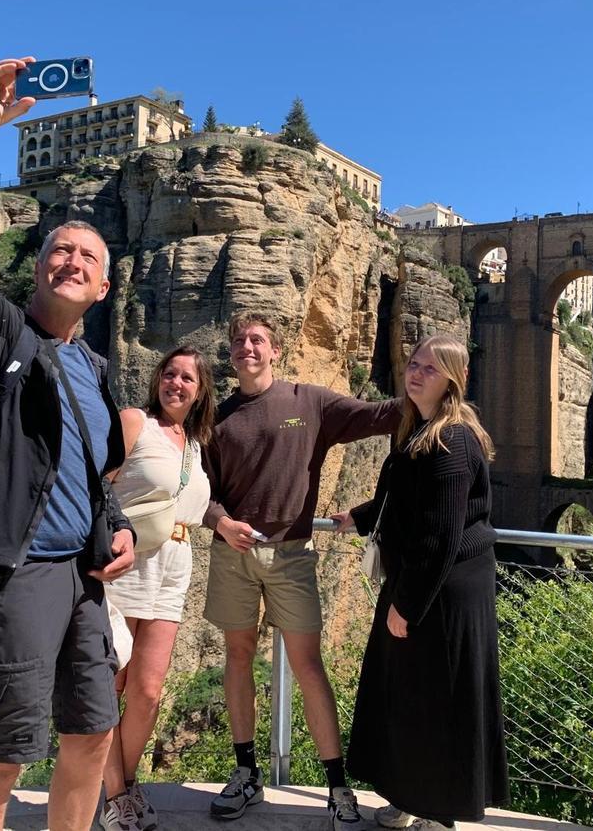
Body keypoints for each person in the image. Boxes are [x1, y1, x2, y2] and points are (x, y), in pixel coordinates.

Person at [0, 57, 137, 831]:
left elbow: (91, 466)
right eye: (59, 249)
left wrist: (112, 522)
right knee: (4, 757)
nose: (71, 258)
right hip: (13, 575)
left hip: (83, 580)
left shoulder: (96, 368)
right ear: (40, 266)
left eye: (88, 255)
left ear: (104, 287)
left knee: (91, 734)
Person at [202, 312, 402, 830]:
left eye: (258, 340)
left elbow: (380, 415)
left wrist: (434, 389)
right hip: (233, 555)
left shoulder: (308, 401)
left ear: (276, 350)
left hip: (292, 555)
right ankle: (247, 772)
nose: (248, 347)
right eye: (240, 340)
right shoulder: (217, 417)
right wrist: (222, 524)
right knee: (238, 658)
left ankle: (338, 785)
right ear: (232, 351)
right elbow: (201, 494)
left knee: (309, 667)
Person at [335, 334, 510, 830]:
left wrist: (406, 606)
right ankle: (411, 795)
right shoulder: (424, 429)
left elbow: (440, 536)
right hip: (423, 582)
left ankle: (440, 810)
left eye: (430, 369)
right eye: (413, 364)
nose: (415, 374)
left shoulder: (452, 440)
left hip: (441, 592)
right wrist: (361, 516)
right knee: (410, 694)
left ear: (453, 379)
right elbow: (408, 501)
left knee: (440, 698)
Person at [100, 346, 216, 831]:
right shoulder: (134, 422)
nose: (176, 383)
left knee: (147, 691)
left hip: (174, 568)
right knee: (112, 684)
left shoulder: (194, 442)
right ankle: (116, 796)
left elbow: (188, 505)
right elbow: (98, 484)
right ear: (157, 381)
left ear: (200, 390)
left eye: (187, 378)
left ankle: (122, 786)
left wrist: (226, 523)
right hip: (128, 562)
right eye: (169, 374)